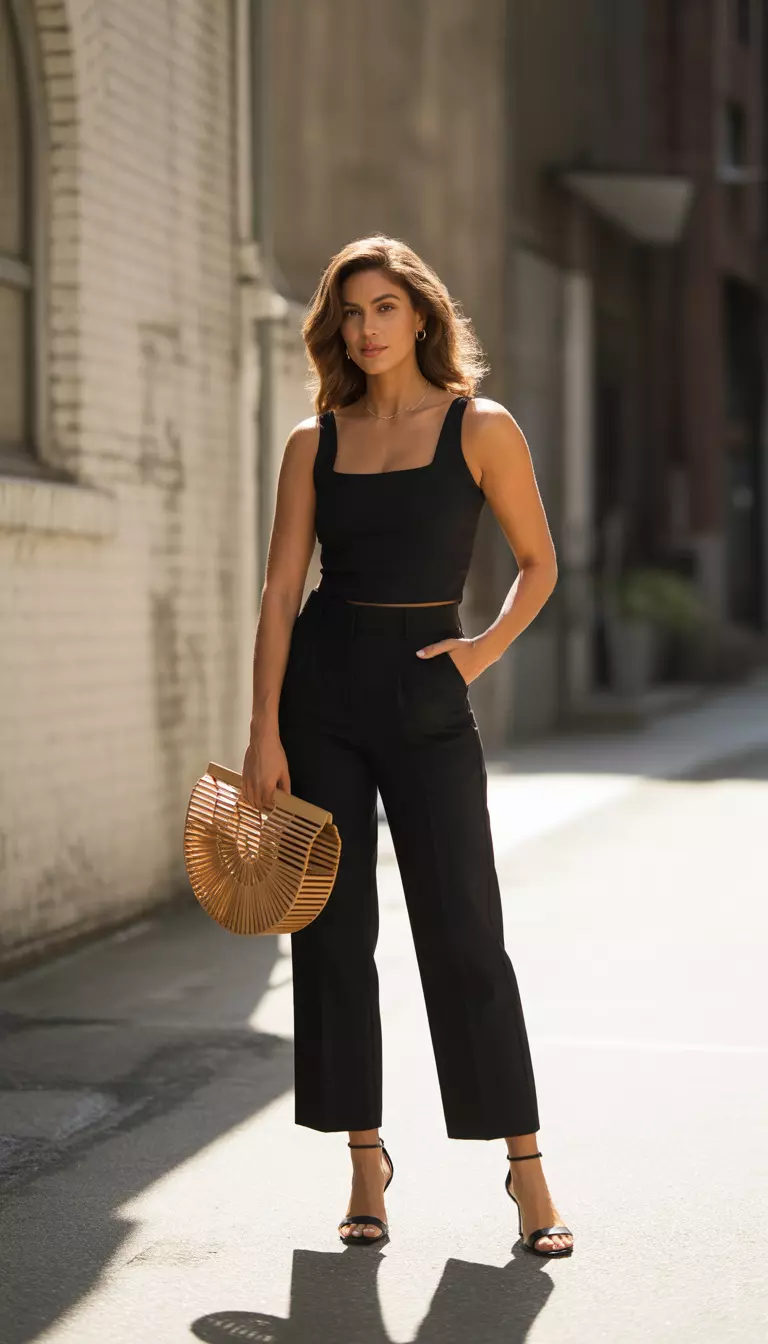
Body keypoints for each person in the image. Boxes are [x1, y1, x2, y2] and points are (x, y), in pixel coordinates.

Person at [242, 234, 574, 1258]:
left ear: (421, 315)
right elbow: (280, 591)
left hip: (429, 688)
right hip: (325, 688)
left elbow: (537, 564)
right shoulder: (315, 440)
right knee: (332, 937)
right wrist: (263, 732)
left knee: (464, 929)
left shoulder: (482, 426)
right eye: (351, 312)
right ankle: (364, 1162)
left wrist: (477, 656)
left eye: (384, 307)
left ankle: (526, 1171)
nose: (366, 328)